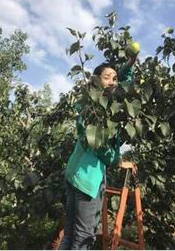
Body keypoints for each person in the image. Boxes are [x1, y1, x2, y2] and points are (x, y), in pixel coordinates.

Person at [59, 55, 137, 250]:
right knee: (84, 237)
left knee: (69, 234)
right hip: (87, 180)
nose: (112, 81)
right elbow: (97, 145)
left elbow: (124, 83)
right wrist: (118, 161)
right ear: (95, 81)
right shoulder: (91, 108)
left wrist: (129, 63)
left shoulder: (101, 104)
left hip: (73, 174)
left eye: (114, 78)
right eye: (106, 77)